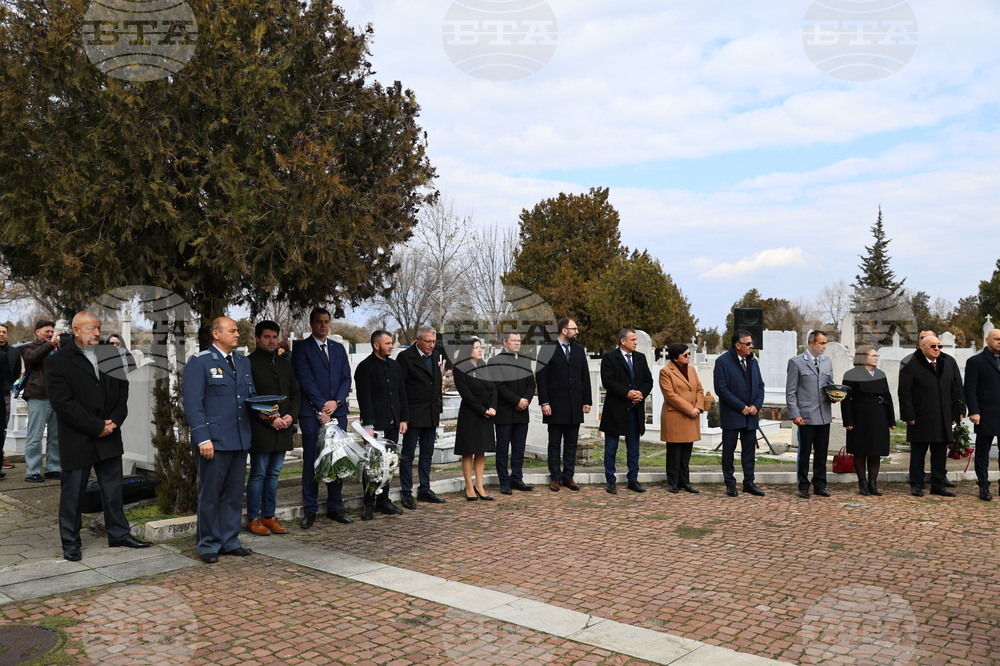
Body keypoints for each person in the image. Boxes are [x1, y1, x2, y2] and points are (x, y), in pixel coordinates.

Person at [45, 311, 152, 561]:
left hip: (109, 434)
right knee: (73, 493)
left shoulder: (109, 353)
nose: (95, 333)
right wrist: (96, 426)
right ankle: (71, 542)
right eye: (90, 329)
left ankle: (118, 534)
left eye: (98, 328)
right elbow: (62, 403)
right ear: (75, 331)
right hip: (78, 437)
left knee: (113, 489)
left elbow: (122, 389)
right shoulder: (58, 361)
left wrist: (114, 422)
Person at [183, 316, 257, 563]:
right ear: (216, 334)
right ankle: (208, 544)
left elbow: (249, 397)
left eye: (237, 331)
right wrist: (203, 438)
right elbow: (193, 404)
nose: (237, 334)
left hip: (238, 438)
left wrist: (268, 411)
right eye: (232, 331)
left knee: (234, 494)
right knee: (211, 494)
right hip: (214, 440)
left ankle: (229, 540)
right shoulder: (201, 362)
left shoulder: (243, 362)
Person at [292, 307, 352, 528]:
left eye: (326, 321)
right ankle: (310, 509)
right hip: (311, 414)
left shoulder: (337, 349)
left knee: (337, 459)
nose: (323, 325)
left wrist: (335, 403)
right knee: (312, 460)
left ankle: (335, 507)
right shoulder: (302, 349)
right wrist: (321, 407)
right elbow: (305, 380)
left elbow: (346, 378)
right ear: (312, 323)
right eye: (319, 322)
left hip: (338, 412)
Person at [246, 321, 300, 535]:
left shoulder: (284, 363)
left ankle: (269, 516)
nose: (271, 341)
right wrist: (270, 420)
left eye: (274, 337)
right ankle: (253, 518)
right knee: (259, 473)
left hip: (284, 426)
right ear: (258, 338)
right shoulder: (249, 363)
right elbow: (248, 400)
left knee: (275, 474)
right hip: (262, 429)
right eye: (267, 337)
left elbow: (295, 392)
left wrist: (290, 416)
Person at [898, 335, 964, 497]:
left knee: (940, 453)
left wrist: (957, 412)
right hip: (920, 416)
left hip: (943, 416)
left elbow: (954, 389)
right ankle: (916, 484)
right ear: (922, 347)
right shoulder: (911, 364)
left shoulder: (946, 363)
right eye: (933, 346)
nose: (937, 349)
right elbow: (904, 392)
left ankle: (938, 484)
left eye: (939, 346)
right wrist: (908, 415)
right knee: (918, 453)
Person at [354, 330, 408, 520]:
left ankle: (384, 500)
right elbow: (364, 398)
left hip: (393, 424)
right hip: (375, 425)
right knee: (372, 466)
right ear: (376, 345)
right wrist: (368, 425)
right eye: (387, 343)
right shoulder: (365, 367)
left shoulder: (395, 366)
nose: (391, 346)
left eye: (391, 343)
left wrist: (403, 419)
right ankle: (369, 503)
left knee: (389, 464)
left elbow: (401, 394)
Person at [536, 318, 592, 492]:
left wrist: (587, 400)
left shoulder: (579, 349)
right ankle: (555, 478)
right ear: (564, 330)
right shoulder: (547, 349)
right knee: (554, 443)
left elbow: (585, 375)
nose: (577, 331)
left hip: (574, 404)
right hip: (554, 405)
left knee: (571, 443)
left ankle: (569, 476)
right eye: (574, 329)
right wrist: (544, 402)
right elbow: (541, 377)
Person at [396, 325, 447, 508]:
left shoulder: (434, 356)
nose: (431, 345)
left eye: (433, 341)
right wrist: (403, 416)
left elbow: (436, 384)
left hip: (431, 414)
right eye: (428, 341)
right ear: (418, 339)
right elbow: (400, 388)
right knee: (408, 455)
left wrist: (438, 409)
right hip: (413, 414)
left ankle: (425, 488)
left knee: (427, 454)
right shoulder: (405, 357)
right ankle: (407, 492)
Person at [599, 328, 653, 494]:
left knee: (634, 448)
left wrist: (640, 394)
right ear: (623, 341)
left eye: (636, 340)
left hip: (635, 409)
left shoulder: (640, 358)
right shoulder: (609, 358)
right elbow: (607, 381)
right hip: (615, 409)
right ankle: (610, 480)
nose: (636, 342)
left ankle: (633, 479)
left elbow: (648, 380)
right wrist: (627, 393)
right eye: (633, 340)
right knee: (611, 448)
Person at [714, 329, 765, 497]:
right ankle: (730, 483)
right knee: (729, 450)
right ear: (738, 345)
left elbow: (760, 387)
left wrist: (756, 406)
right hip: (733, 414)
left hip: (751, 415)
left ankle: (749, 482)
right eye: (748, 343)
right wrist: (741, 407)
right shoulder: (723, 362)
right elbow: (721, 389)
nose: (752, 346)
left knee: (749, 451)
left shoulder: (753, 362)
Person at [785, 330, 837, 499]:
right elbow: (791, 391)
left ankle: (820, 485)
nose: (824, 346)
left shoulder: (827, 362)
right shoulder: (796, 362)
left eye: (825, 343)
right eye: (821, 343)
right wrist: (795, 414)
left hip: (824, 415)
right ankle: (803, 486)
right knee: (804, 453)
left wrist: (835, 396)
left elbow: (830, 385)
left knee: (821, 454)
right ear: (811, 342)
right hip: (805, 416)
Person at [841, 346, 895, 496]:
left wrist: (891, 419)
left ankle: (873, 483)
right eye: (873, 355)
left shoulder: (880, 374)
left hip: (879, 416)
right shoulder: (851, 374)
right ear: (863, 357)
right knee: (860, 450)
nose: (876, 358)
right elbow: (845, 399)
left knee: (875, 450)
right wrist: (848, 420)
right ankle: (862, 483)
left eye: (877, 356)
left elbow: (887, 396)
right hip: (860, 417)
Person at [488, 331, 535, 495]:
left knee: (519, 448)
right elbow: (499, 386)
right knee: (502, 449)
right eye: (514, 340)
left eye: (519, 341)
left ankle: (517, 478)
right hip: (505, 412)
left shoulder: (524, 360)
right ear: (505, 342)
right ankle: (504, 481)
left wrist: (525, 401)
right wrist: (516, 401)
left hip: (522, 412)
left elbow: (531, 384)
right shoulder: (495, 361)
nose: (517, 343)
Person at [453, 338, 497, 501]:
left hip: (487, 413)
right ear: (467, 350)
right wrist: (483, 410)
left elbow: (493, 387)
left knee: (481, 450)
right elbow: (467, 395)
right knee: (468, 451)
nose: (480, 350)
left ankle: (479, 484)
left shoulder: (483, 365)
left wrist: (492, 407)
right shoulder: (460, 369)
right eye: (476, 347)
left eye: (480, 347)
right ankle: (469, 486)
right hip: (471, 414)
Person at [659, 343, 705, 494]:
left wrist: (698, 407)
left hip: (692, 415)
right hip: (675, 415)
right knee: (674, 452)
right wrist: (689, 409)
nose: (688, 357)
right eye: (685, 355)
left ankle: (685, 482)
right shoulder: (666, 371)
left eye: (688, 354)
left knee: (686, 452)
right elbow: (670, 395)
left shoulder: (691, 369)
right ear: (675, 358)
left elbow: (699, 388)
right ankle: (673, 482)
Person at [20, 319, 62, 482]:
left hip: (57, 397)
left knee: (56, 435)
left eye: (52, 331)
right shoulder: (29, 347)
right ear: (37, 332)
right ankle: (32, 471)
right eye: (47, 331)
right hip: (38, 395)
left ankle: (53, 468)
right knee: (35, 435)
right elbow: (32, 358)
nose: (51, 334)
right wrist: (50, 344)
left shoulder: (58, 349)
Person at [963, 328, 1000, 501]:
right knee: (983, 453)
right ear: (987, 340)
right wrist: (974, 411)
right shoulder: (976, 361)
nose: (999, 341)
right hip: (985, 414)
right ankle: (984, 486)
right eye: (996, 339)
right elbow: (970, 389)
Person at [0, 323, 21, 474]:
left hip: (4, 395)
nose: (1, 334)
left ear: (7, 335)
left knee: (2, 426)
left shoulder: (14, 352)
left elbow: (16, 372)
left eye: (3, 332)